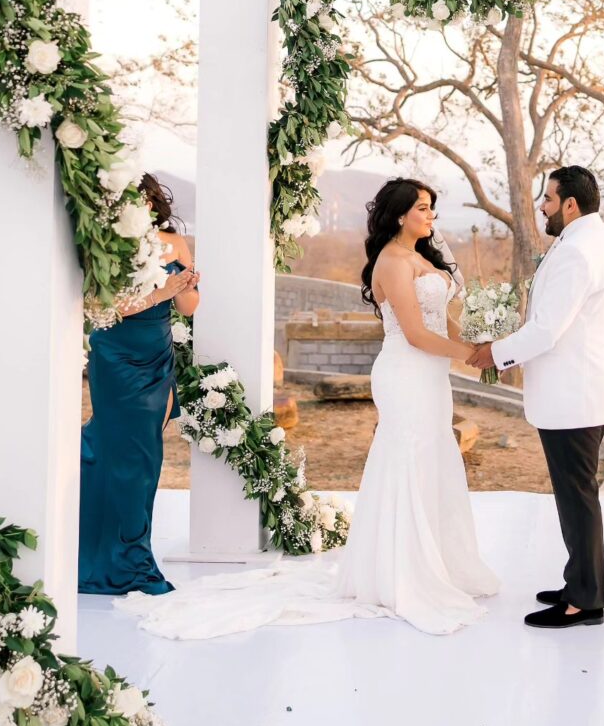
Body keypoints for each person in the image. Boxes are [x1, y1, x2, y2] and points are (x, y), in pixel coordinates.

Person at [117, 178, 498, 638]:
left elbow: (443, 319)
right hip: (407, 372)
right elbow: (415, 333)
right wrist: (471, 356)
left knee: (434, 458)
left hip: (433, 378)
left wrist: (478, 342)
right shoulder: (393, 261)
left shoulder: (423, 258)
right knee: (408, 461)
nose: (430, 214)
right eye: (422, 207)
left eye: (432, 207)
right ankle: (401, 573)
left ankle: (442, 564)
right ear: (400, 215)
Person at [468, 166, 604, 629]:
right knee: (576, 496)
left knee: (577, 497)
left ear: (570, 205)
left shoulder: (580, 252)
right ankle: (583, 583)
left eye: (548, 198)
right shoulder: (589, 241)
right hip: (578, 392)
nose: (542, 205)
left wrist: (494, 354)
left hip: (574, 395)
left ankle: (584, 601)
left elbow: (546, 329)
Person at [78, 174, 200, 595]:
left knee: (145, 454)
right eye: (133, 200)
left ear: (155, 202)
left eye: (147, 198)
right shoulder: (107, 244)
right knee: (118, 449)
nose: (143, 207)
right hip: (115, 354)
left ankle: (124, 549)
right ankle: (125, 560)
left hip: (157, 351)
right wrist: (161, 291)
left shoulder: (175, 241)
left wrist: (185, 285)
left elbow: (188, 305)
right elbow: (103, 308)